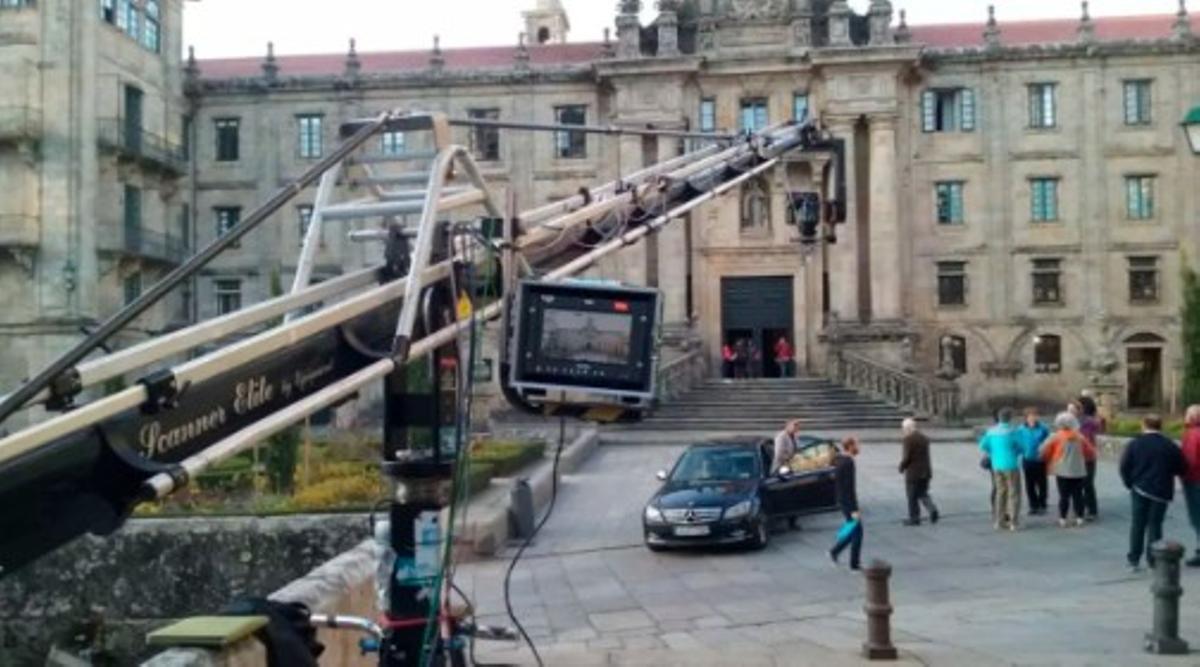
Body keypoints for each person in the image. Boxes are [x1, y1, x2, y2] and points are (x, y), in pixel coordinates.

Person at [1119, 415, 1187, 572]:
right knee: (1155, 525)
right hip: (1161, 490)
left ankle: (1134, 559)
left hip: (1139, 488)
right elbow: (1182, 466)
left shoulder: (1135, 444)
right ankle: (1154, 560)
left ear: (1144, 425)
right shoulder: (1169, 445)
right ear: (1160, 426)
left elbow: (1124, 466)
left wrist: (1130, 483)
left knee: (1138, 524)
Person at [1039, 412, 1093, 527]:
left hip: (1062, 470)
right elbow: (1090, 451)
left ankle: (1063, 518)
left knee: (1064, 495)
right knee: (1078, 495)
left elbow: (1043, 449)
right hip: (1078, 470)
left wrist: (1047, 458)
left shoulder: (1056, 436)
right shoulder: (1080, 436)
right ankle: (1079, 518)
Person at [980, 407, 1022, 531]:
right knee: (1014, 492)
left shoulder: (991, 431)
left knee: (1000, 492)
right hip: (1011, 464)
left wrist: (993, 452)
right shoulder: (1013, 431)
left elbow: (983, 445)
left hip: (996, 465)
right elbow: (1021, 446)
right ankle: (1013, 522)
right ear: (1010, 418)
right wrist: (1015, 452)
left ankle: (999, 521)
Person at [829, 438, 863, 570]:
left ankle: (835, 551)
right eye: (856, 444)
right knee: (858, 532)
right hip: (848, 503)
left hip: (842, 500)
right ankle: (854, 564)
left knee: (852, 529)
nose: (858, 447)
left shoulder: (839, 460)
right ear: (850, 446)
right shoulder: (848, 462)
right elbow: (849, 487)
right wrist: (854, 509)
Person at [899, 418, 939, 526]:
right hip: (926, 471)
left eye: (904, 428)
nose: (903, 431)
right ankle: (932, 509)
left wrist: (901, 467)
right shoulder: (924, 438)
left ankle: (914, 518)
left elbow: (907, 457)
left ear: (908, 428)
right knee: (923, 493)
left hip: (913, 473)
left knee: (911, 496)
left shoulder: (908, 439)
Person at [1015, 408, 1051, 515]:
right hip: (1027, 459)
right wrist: (1020, 452)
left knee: (1042, 483)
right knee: (1029, 484)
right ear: (1026, 418)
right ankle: (1033, 505)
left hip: (1040, 459)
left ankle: (1042, 504)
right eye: (1030, 416)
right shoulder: (1020, 429)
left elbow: (1048, 441)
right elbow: (1017, 442)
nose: (1033, 418)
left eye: (1035, 415)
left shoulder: (1043, 428)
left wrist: (1045, 452)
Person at [1181, 405, 1200, 568]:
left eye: (1187, 414)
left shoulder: (1193, 435)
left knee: (1197, 517)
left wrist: (1181, 472)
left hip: (1195, 480)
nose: (1184, 416)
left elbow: (1190, 460)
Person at [1078, 396, 1102, 521]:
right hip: (1082, 455)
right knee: (1086, 483)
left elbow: (1099, 427)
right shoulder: (1083, 420)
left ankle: (1090, 509)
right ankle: (1087, 509)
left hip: (1086, 456)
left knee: (1086, 483)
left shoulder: (1088, 421)